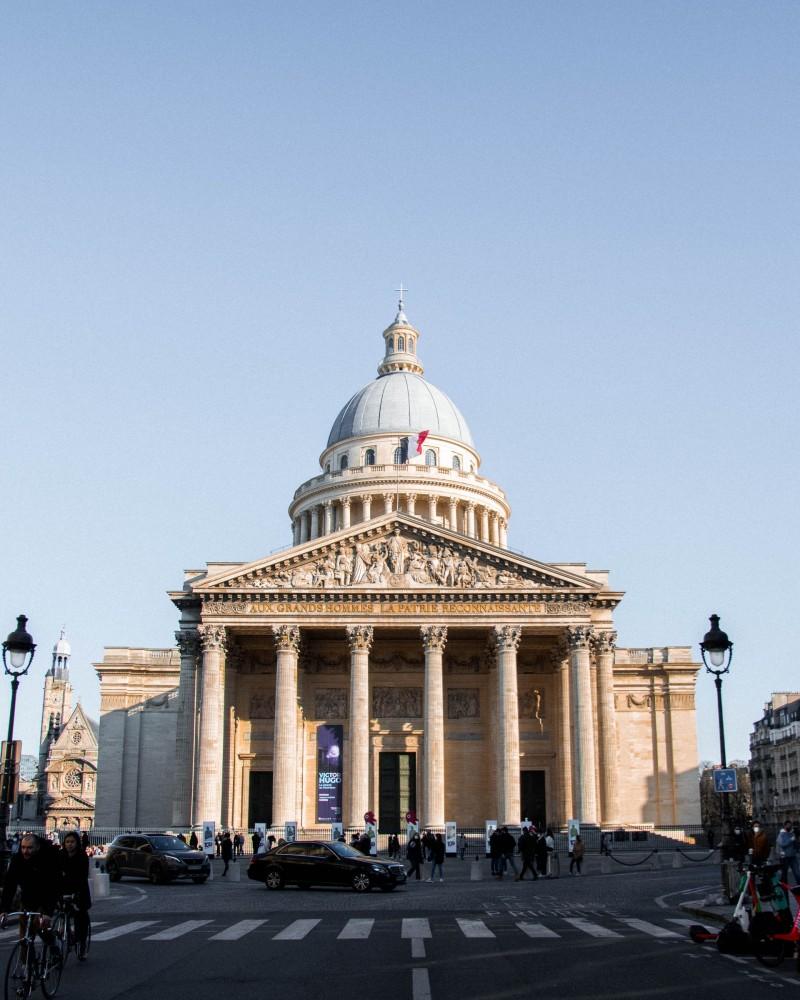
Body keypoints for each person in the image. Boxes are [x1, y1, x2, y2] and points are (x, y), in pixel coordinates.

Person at [0, 834, 60, 963]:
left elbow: (53, 887)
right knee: (24, 939)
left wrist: (48, 913)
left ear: (37, 847)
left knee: (40, 926)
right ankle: (27, 969)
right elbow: (9, 885)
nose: (25, 851)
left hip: (44, 898)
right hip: (27, 899)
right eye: (23, 847)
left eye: (29, 848)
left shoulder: (48, 859)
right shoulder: (17, 860)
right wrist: (4, 909)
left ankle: (52, 944)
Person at [59, 831, 91, 961]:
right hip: (64, 889)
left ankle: (82, 943)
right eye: (67, 842)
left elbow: (82, 876)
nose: (69, 844)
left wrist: (76, 893)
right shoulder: (60, 856)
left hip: (79, 890)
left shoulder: (82, 856)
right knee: (62, 913)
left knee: (81, 917)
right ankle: (67, 935)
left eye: (72, 842)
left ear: (77, 843)